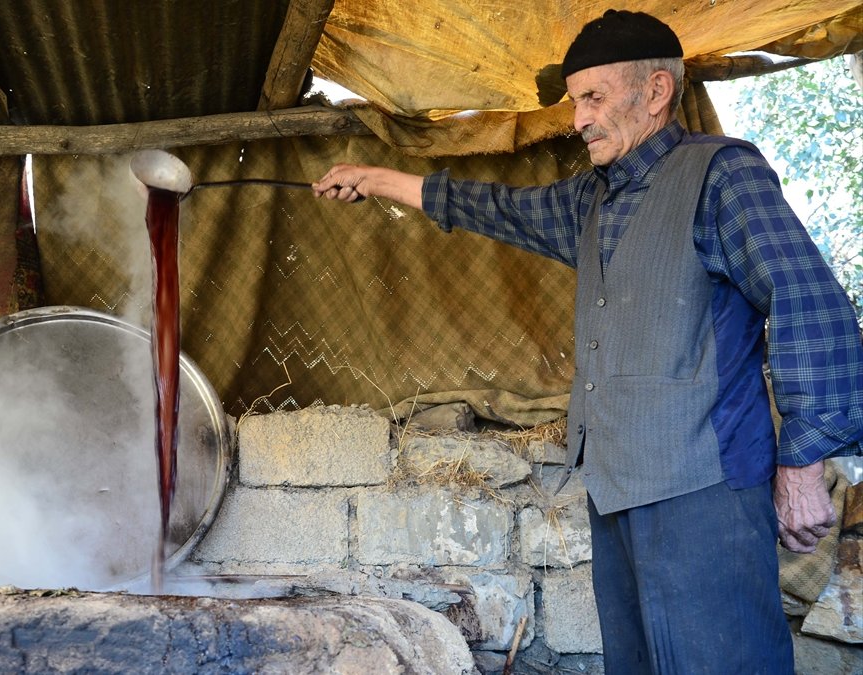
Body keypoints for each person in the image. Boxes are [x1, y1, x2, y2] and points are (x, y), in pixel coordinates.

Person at [314, 9, 863, 674]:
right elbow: (495, 208)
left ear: (657, 92)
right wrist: (375, 180)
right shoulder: (593, 199)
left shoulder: (722, 175)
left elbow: (808, 298)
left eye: (594, 98)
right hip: (617, 489)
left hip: (704, 493)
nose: (577, 120)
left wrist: (803, 463)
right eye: (577, 101)